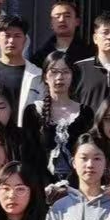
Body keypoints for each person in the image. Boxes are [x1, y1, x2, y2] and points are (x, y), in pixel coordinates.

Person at [21, 53, 94, 183]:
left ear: (73, 76)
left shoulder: (85, 113)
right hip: (41, 185)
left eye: (65, 72)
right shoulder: (33, 111)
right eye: (54, 72)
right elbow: (29, 156)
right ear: (45, 76)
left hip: (77, 186)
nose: (59, 77)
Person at [49, 136, 110, 220]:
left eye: (97, 158)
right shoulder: (59, 208)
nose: (90, 165)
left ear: (105, 163)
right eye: (84, 158)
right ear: (74, 163)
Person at [0, 14, 43, 113]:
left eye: (17, 36)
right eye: (7, 35)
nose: (11, 41)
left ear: (25, 40)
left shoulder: (37, 75)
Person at [29, 0, 93, 71]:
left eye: (67, 16)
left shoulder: (89, 54)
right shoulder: (40, 57)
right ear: (51, 23)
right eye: (57, 17)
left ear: (77, 21)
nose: (61, 20)